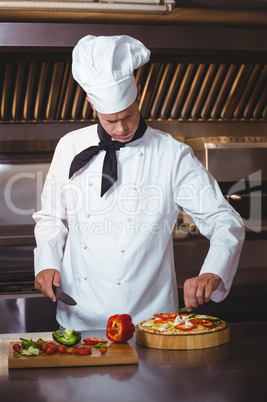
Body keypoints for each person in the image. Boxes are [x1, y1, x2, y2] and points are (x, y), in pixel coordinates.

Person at [33, 35, 245, 330]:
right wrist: (46, 262)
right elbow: (50, 217)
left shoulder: (172, 154)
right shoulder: (69, 146)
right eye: (110, 120)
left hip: (151, 320)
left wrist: (213, 271)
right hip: (80, 317)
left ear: (139, 94)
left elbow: (224, 219)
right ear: (91, 103)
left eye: (128, 115)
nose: (121, 128)